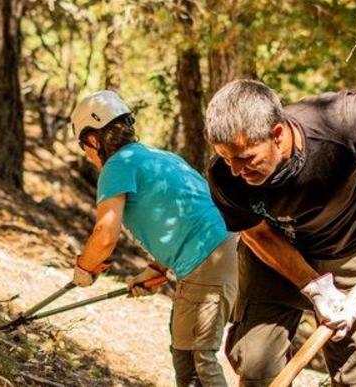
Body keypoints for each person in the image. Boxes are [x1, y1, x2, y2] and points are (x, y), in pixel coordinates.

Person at [204, 79, 356, 386]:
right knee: (258, 370)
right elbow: (258, 235)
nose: (235, 170)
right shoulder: (224, 176)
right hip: (278, 256)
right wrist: (315, 288)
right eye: (227, 158)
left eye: (245, 158)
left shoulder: (341, 123)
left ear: (278, 134)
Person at [71, 90, 238, 387]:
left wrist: (84, 268)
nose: (86, 153)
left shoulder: (116, 166)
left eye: (84, 144)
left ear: (94, 139)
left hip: (207, 259)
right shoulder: (159, 156)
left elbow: (105, 235)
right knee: (186, 356)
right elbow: (187, 213)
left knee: (200, 360)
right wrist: (158, 268)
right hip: (221, 251)